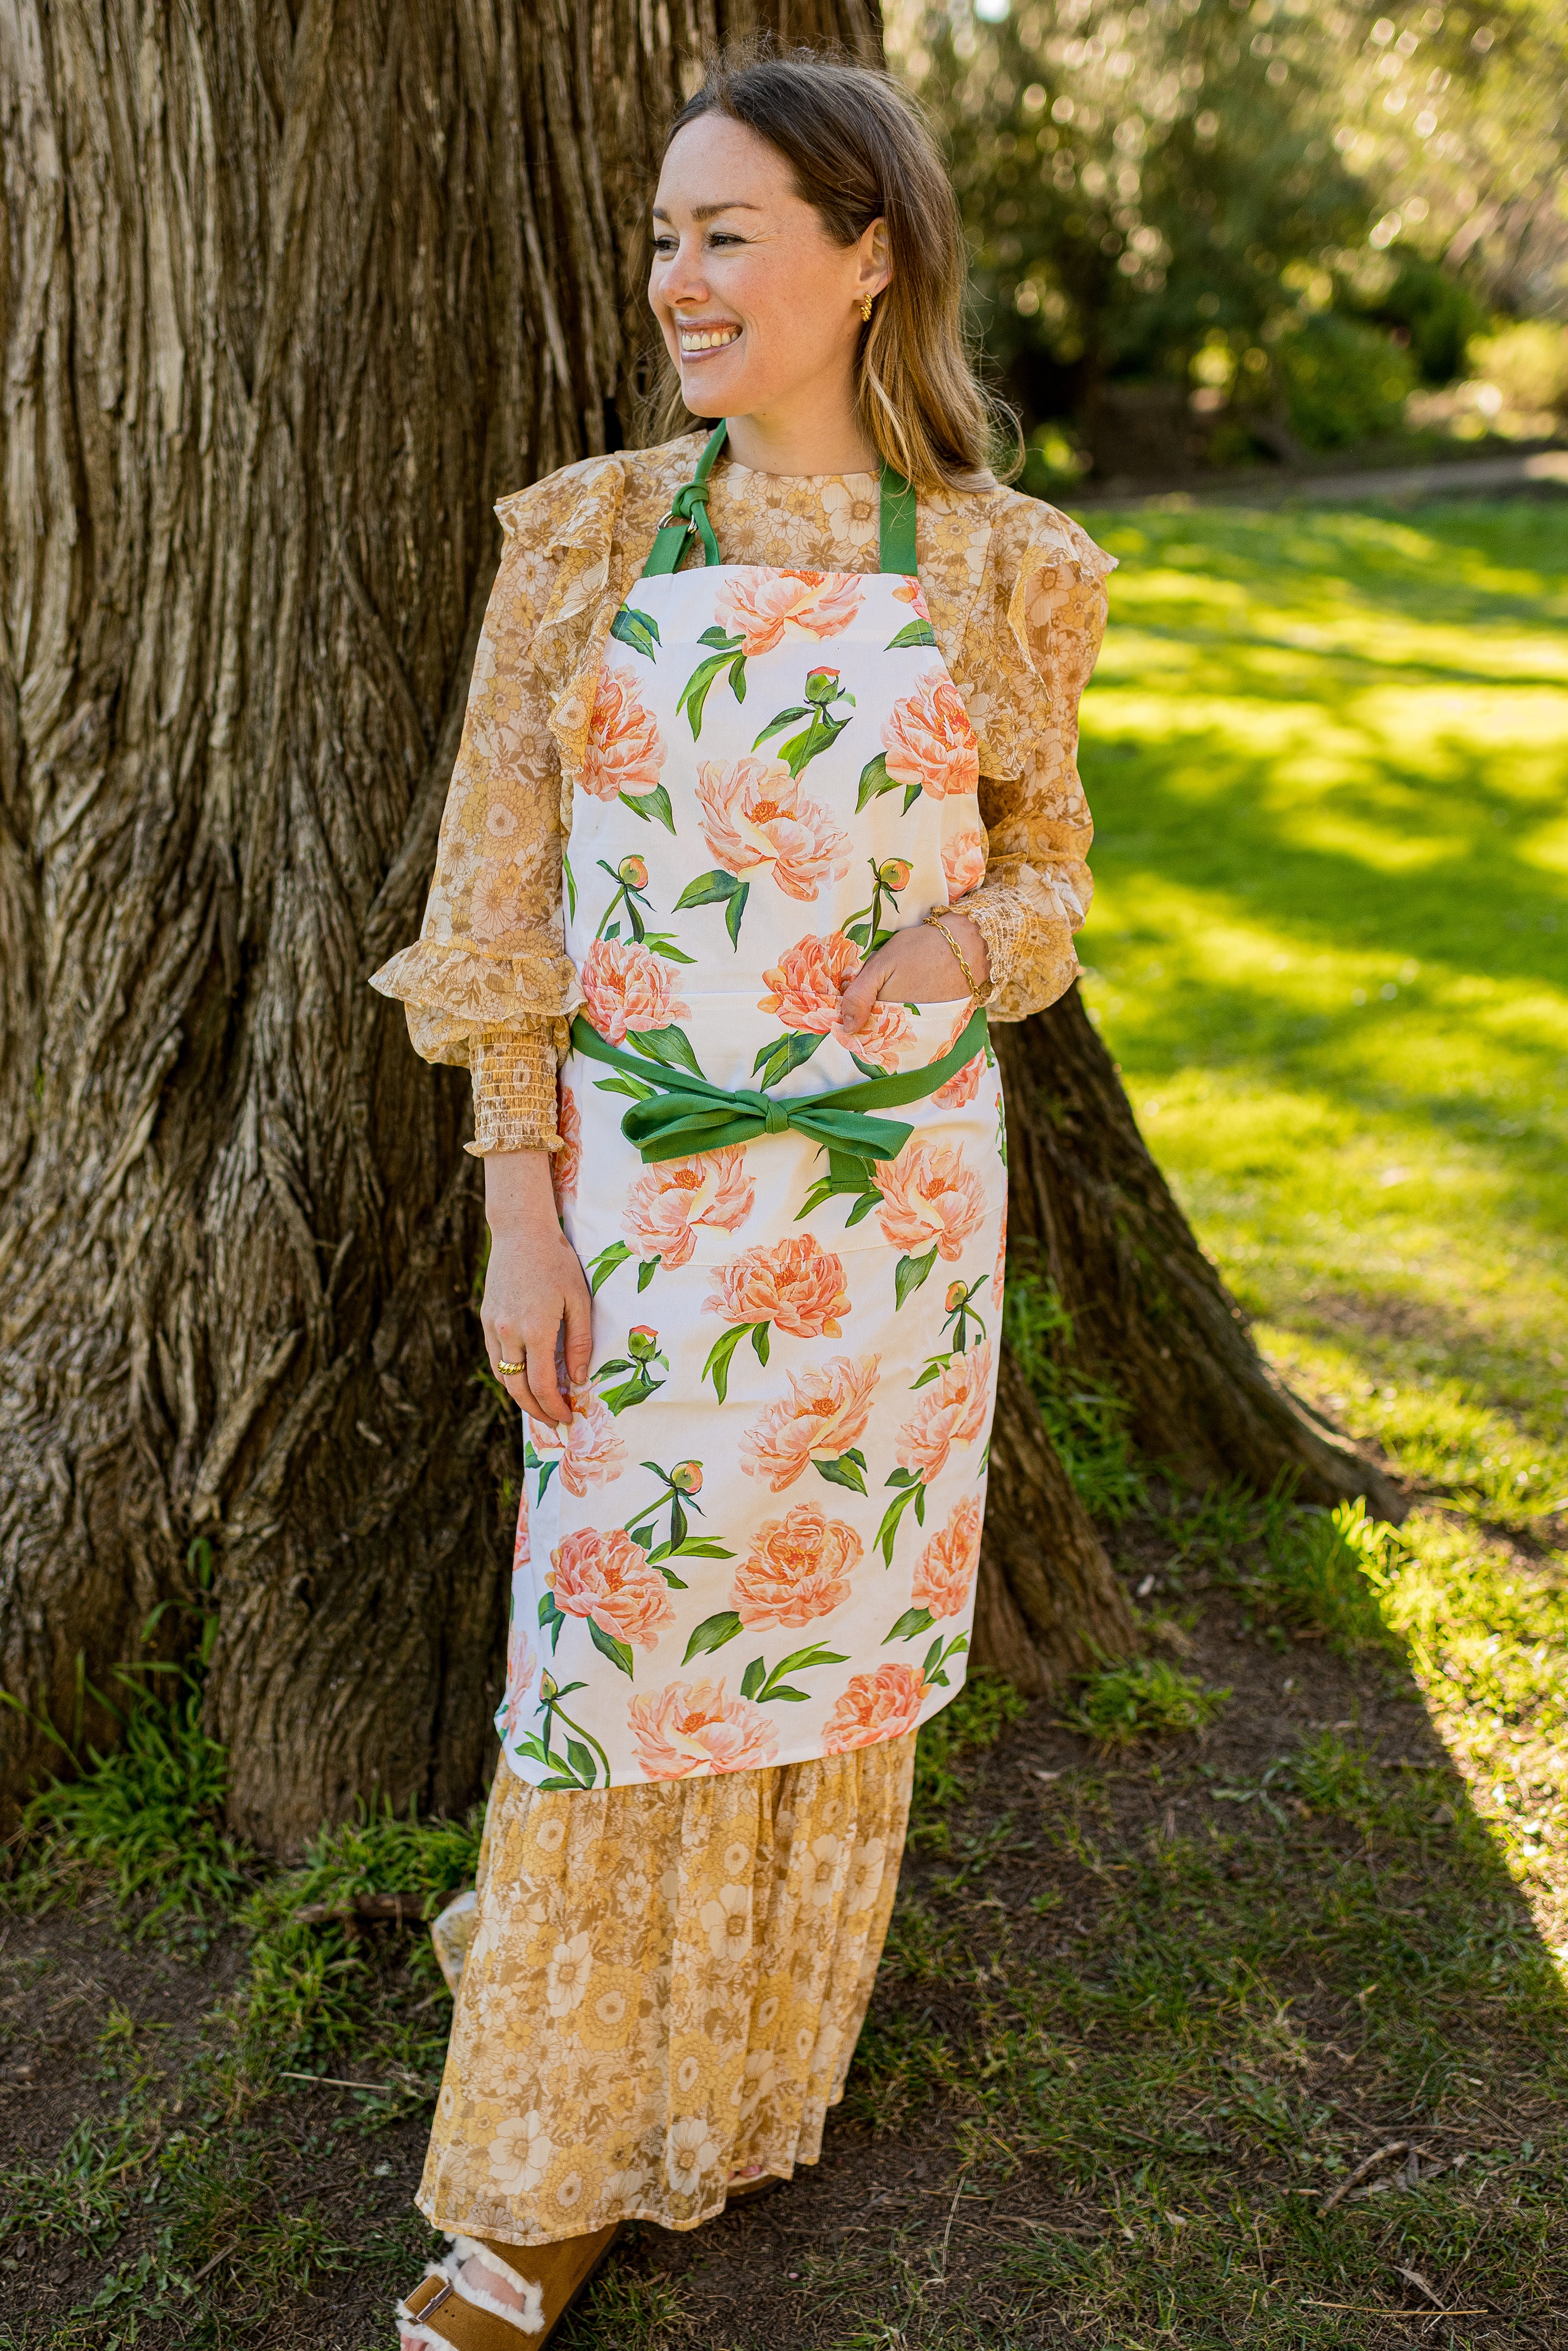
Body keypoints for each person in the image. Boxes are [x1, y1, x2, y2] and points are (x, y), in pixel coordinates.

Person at [372, 46, 1112, 2350]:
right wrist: (522, 1204)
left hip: (892, 1227)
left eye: (726, 233)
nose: (676, 279)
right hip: (644, 1206)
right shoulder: (590, 535)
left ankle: (729, 2069)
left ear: (865, 251)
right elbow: (498, 903)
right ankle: (544, 2154)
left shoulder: (1000, 566)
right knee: (606, 1660)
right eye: (663, 235)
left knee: (816, 1643)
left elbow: (1051, 874)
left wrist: (958, 946)